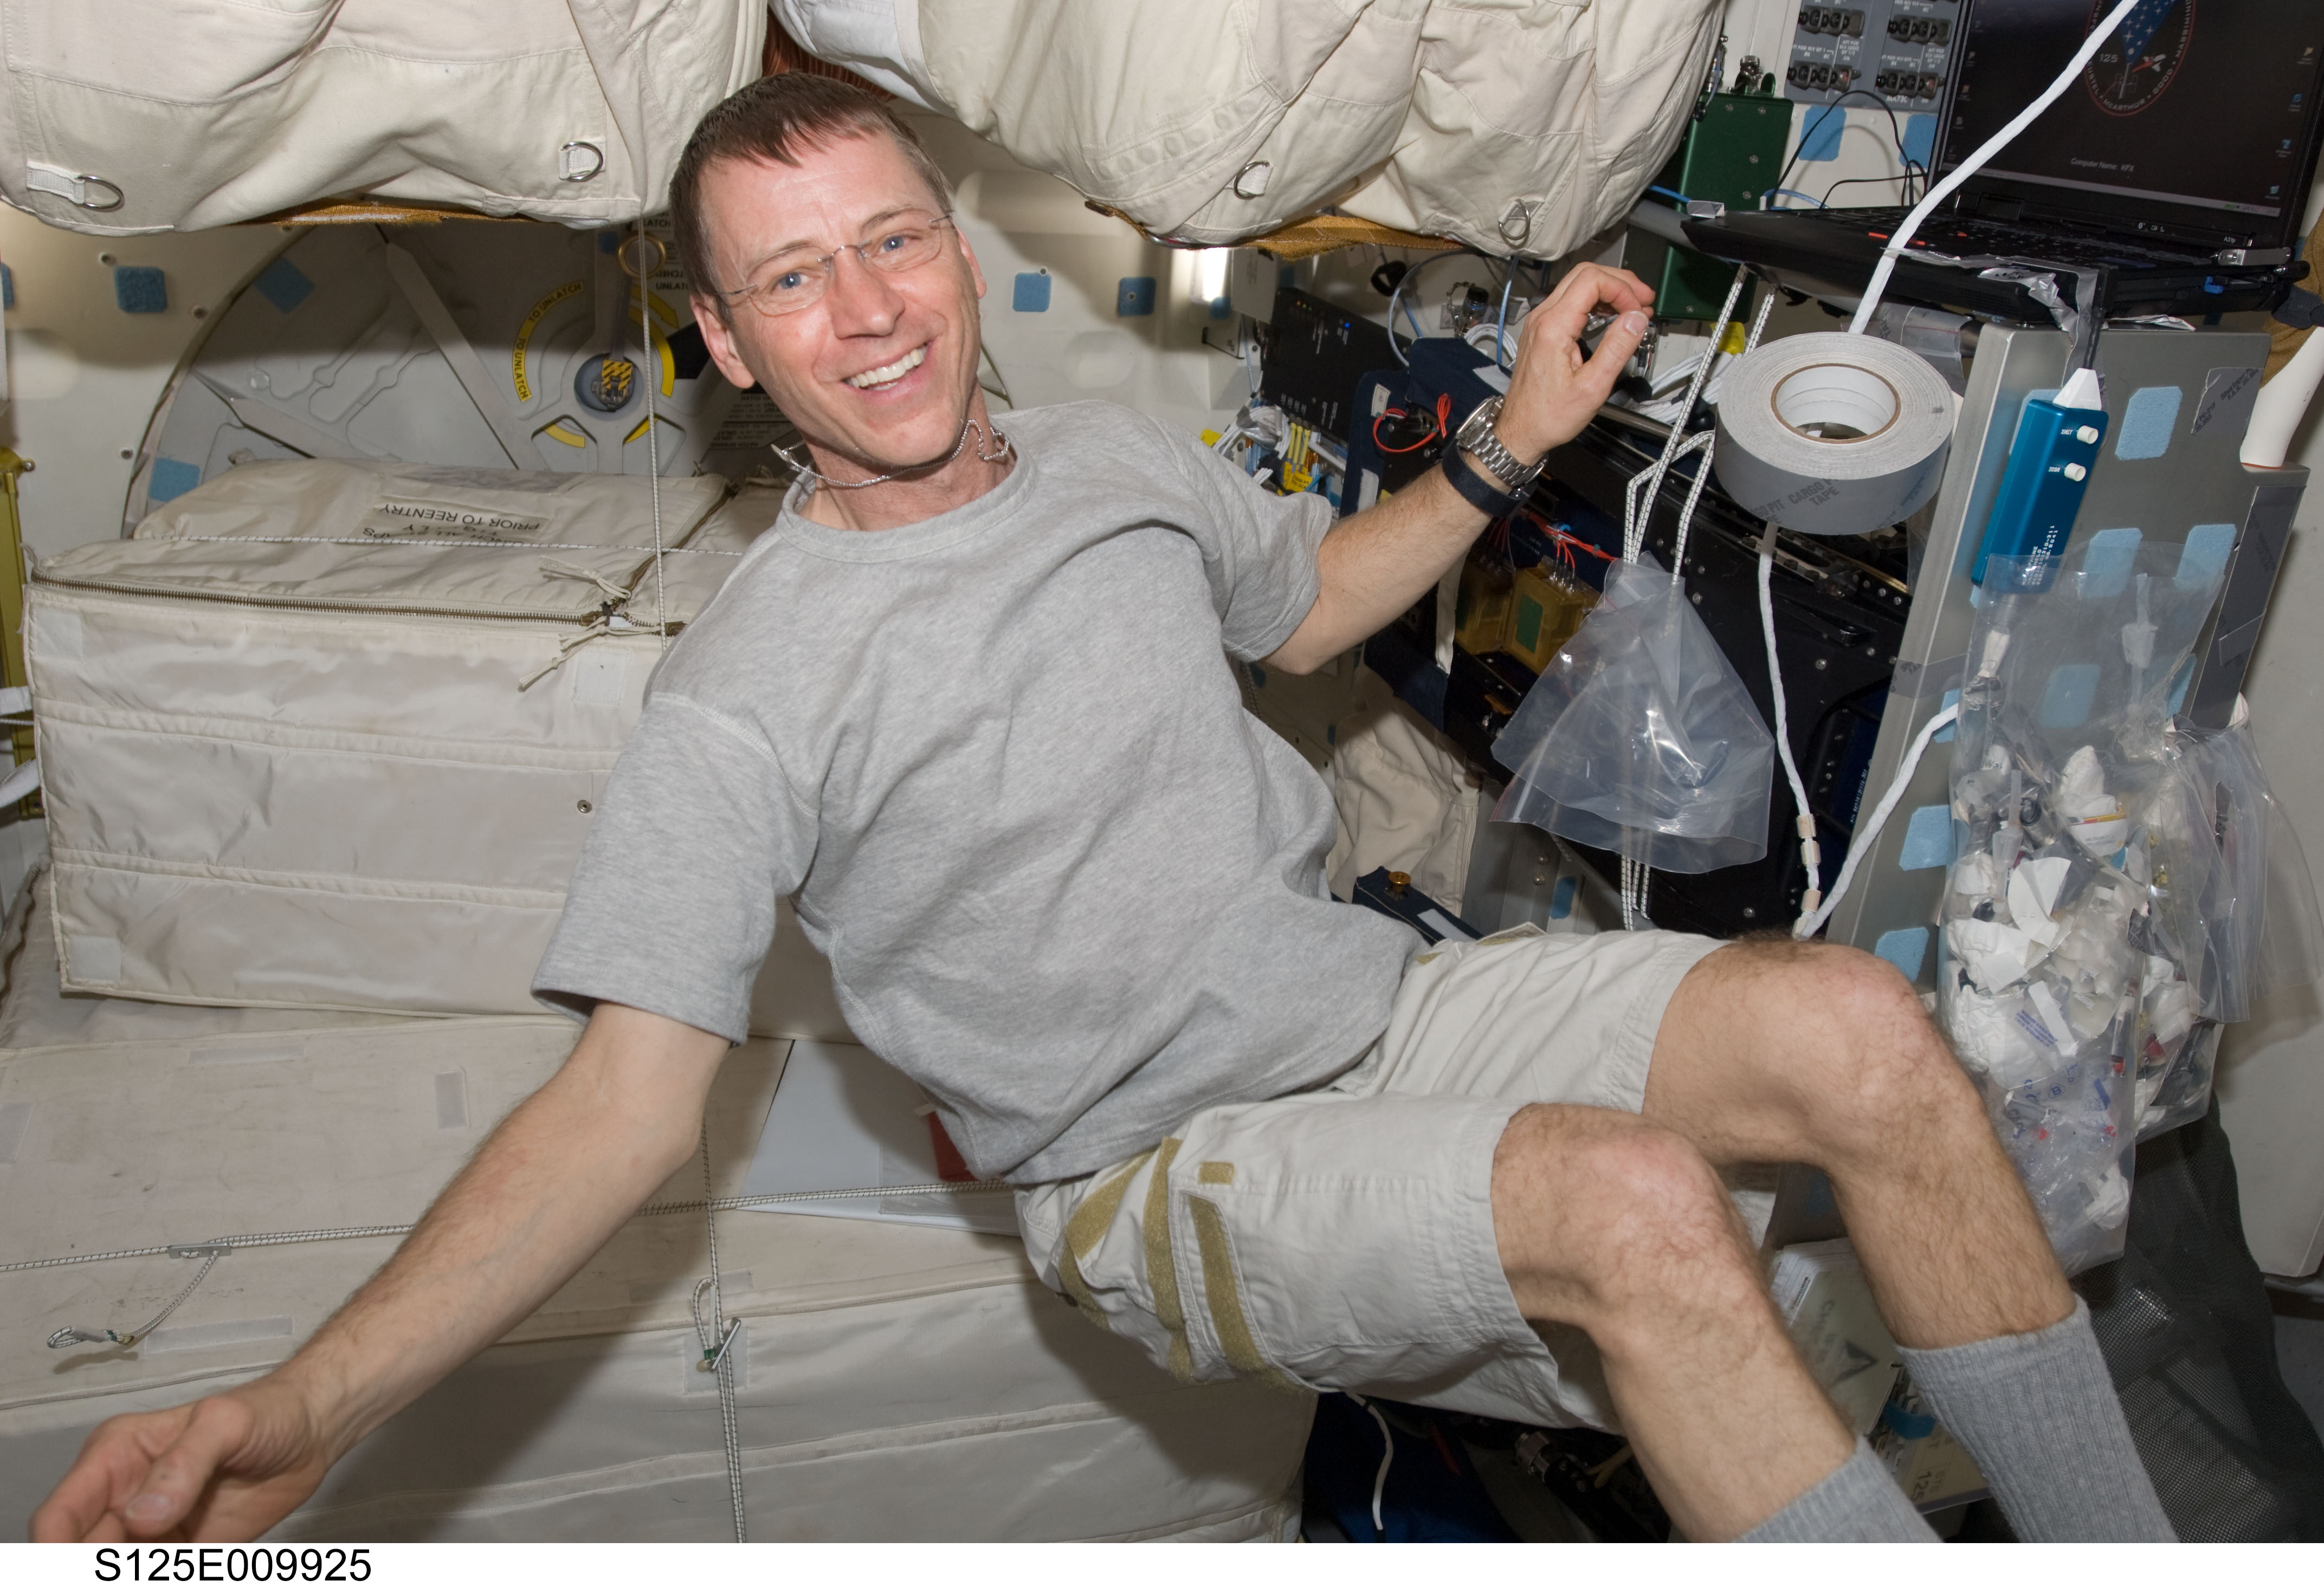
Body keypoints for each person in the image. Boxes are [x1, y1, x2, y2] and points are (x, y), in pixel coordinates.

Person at [32, 74, 2173, 1544]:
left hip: (1374, 1002)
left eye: (894, 243)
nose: (866, 310)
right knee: (1630, 1207)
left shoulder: (1127, 470)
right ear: (724, 341)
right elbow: (617, 1106)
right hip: (1163, 1172)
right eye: (795, 279)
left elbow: (1317, 602)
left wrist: (1510, 443)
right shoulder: (745, 690)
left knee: (1862, 1033)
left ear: (955, 254)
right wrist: (305, 1404)